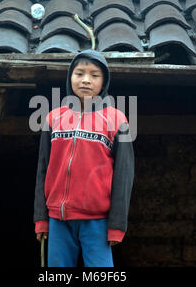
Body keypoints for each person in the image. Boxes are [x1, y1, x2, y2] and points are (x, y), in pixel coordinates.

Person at [33, 49, 135, 267]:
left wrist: (117, 225)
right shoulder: (53, 118)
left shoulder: (117, 120)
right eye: (79, 73)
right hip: (58, 220)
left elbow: (124, 176)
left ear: (104, 81)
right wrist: (41, 219)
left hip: (97, 221)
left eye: (94, 75)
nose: (86, 80)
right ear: (70, 78)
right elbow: (43, 169)